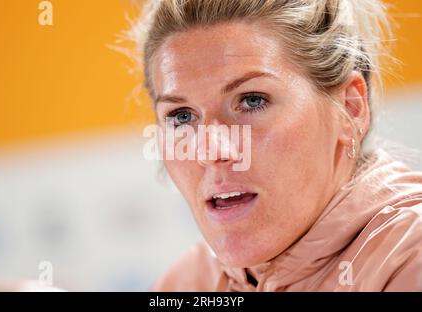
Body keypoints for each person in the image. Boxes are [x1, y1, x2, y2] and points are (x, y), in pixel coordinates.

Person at [128, 0, 422, 291]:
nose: (210, 152)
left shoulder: (411, 255)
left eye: (252, 100)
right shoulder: (187, 282)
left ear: (350, 108)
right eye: (181, 116)